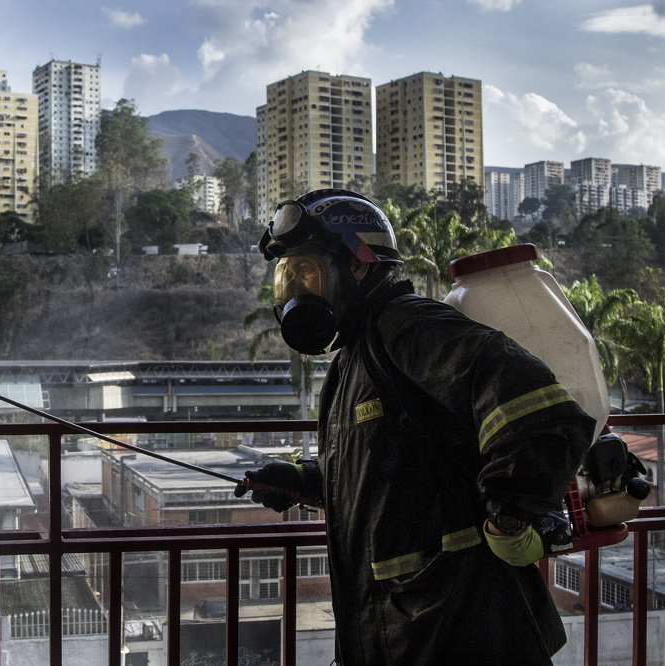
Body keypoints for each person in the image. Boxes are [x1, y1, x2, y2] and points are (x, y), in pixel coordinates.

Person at [235, 189, 595, 665]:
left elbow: (537, 409)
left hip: (460, 628)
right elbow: (396, 467)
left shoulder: (408, 326)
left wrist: (509, 511)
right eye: (289, 277)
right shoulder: (354, 359)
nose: (297, 293)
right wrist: (306, 482)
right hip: (398, 630)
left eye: (309, 272)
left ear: (359, 265)